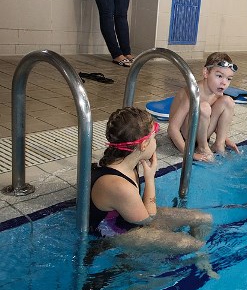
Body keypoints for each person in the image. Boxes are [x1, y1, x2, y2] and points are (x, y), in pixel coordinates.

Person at [90, 107, 214, 261]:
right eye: (154, 138)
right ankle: (195, 260)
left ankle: (196, 257)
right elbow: (148, 219)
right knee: (193, 244)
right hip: (117, 233)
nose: (156, 143)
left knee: (204, 218)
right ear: (143, 145)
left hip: (131, 218)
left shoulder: (126, 162)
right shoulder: (118, 185)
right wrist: (150, 178)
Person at [168, 52, 239, 162]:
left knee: (228, 101)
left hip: (202, 135)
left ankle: (218, 144)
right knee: (204, 107)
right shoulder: (191, 93)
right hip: (185, 137)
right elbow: (172, 128)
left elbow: (215, 121)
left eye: (229, 79)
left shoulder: (217, 93)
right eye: (219, 76)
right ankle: (202, 148)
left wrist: (225, 139)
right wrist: (189, 154)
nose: (224, 83)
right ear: (206, 73)